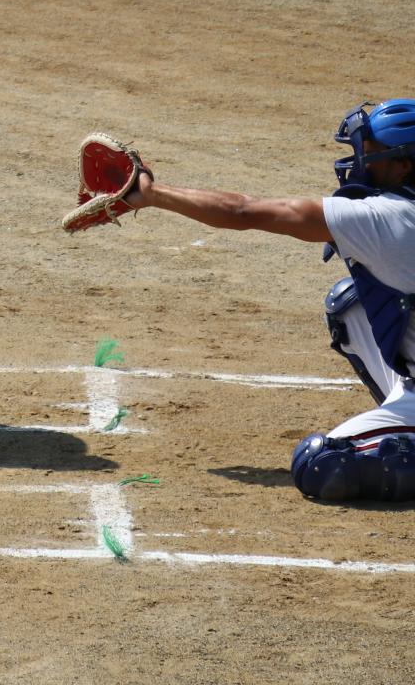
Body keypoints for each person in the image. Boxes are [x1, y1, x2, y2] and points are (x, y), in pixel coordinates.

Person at [115, 101, 415, 502]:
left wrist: (151, 193)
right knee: (350, 305)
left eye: (372, 153)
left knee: (323, 464)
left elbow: (243, 211)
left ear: (403, 166)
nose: (360, 160)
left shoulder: (383, 218)